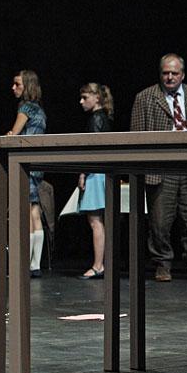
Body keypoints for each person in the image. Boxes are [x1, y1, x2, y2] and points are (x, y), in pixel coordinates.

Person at [130, 53, 187, 282]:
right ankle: (162, 264)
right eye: (165, 73)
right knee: (160, 222)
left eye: (174, 73)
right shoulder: (146, 97)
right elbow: (136, 134)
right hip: (161, 167)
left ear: (182, 75)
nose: (169, 77)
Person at [6, 70, 47, 278]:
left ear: (28, 86)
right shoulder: (40, 110)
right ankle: (35, 264)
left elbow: (14, 135)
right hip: (38, 164)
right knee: (35, 212)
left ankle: (24, 263)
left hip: (26, 164)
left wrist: (8, 135)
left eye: (18, 84)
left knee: (26, 212)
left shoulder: (26, 108)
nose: (13, 88)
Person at [77, 83, 114, 280]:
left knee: (95, 221)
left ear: (97, 98)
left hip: (96, 173)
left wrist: (83, 172)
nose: (81, 102)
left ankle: (98, 265)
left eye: (85, 97)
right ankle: (100, 263)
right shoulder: (101, 117)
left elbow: (93, 149)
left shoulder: (97, 119)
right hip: (99, 172)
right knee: (98, 220)